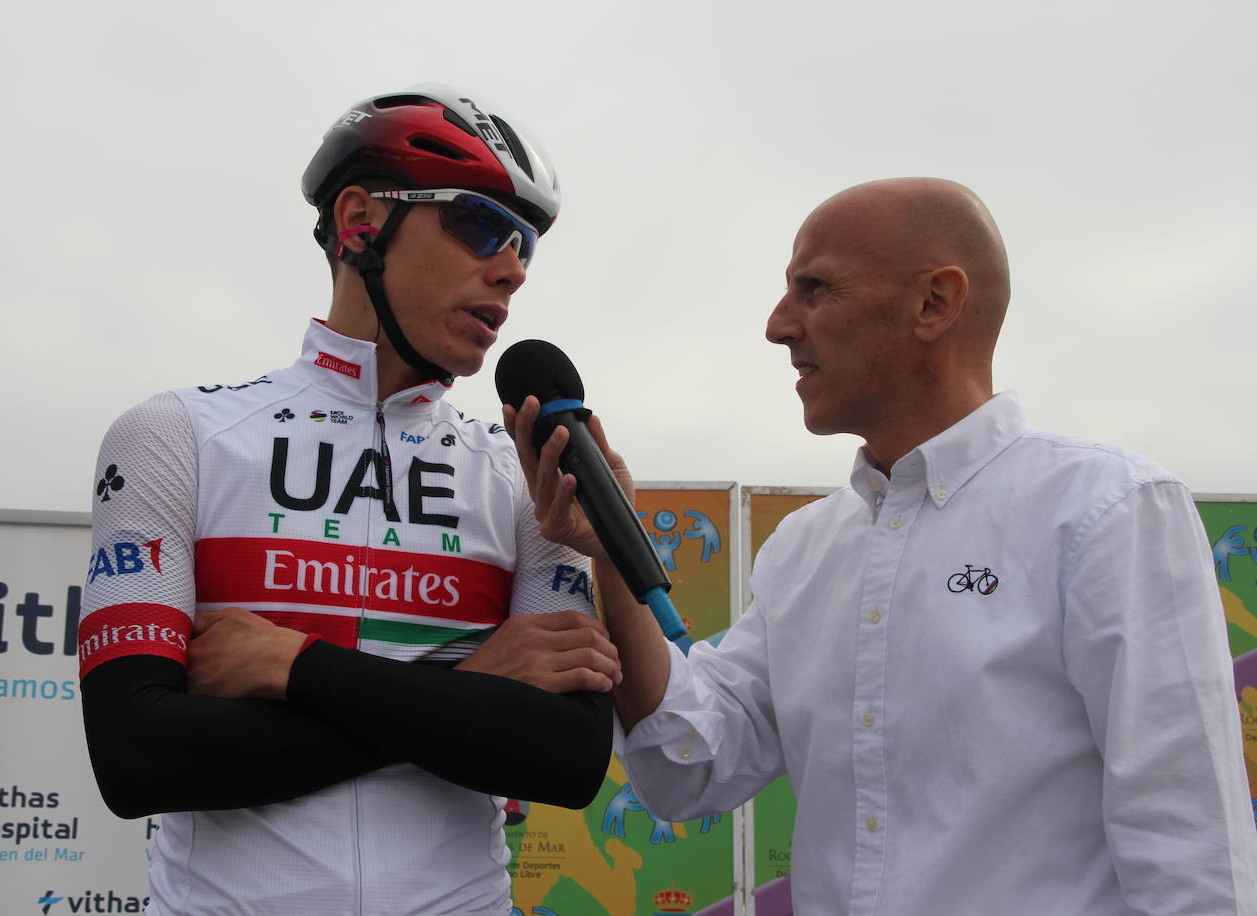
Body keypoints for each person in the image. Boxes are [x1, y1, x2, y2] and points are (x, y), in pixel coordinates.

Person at [507, 178, 1257, 914]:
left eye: (816, 288)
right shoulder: (805, 549)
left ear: (936, 302)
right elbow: (692, 765)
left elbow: (1189, 846)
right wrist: (607, 549)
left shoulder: (1108, 510)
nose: (777, 324)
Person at [79, 84, 620, 916]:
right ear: (362, 219)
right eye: (480, 224)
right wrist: (471, 685)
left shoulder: (524, 474)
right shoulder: (173, 435)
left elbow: (564, 760)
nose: (511, 268)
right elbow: (139, 758)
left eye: (525, 248)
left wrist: (298, 668)